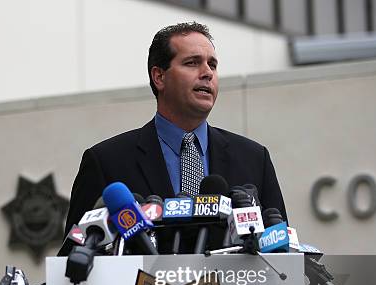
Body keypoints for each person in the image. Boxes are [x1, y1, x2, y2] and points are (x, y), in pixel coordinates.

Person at [63, 22, 287, 252]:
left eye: (212, 65)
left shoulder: (253, 158)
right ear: (159, 77)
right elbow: (72, 256)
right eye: (192, 63)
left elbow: (282, 254)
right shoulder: (105, 162)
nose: (207, 73)